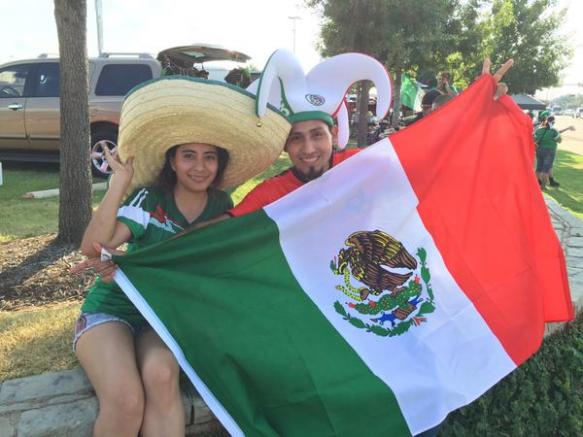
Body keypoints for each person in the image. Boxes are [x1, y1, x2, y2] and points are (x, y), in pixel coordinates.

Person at [75, 51, 513, 437]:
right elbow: (218, 235)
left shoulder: (365, 168)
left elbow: (432, 158)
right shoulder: (268, 196)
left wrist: (474, 112)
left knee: (424, 382)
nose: (308, 149)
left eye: (316, 136)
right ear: (286, 148)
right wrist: (142, 260)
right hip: (319, 311)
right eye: (296, 139)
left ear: (332, 136)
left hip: (382, 304)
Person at [73, 76, 290, 436]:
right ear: (172, 161)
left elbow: (217, 270)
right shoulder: (151, 200)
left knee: (161, 375)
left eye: (209, 157)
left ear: (219, 164)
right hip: (111, 311)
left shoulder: (222, 206)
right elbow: (94, 247)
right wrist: (118, 186)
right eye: (188, 155)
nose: (200, 167)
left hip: (165, 317)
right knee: (127, 400)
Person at [534, 110, 561, 190]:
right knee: (546, 169)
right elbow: (559, 140)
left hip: (539, 150)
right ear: (552, 122)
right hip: (550, 151)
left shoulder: (538, 130)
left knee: (538, 168)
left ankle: (536, 184)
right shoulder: (554, 131)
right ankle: (543, 186)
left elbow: (534, 139)